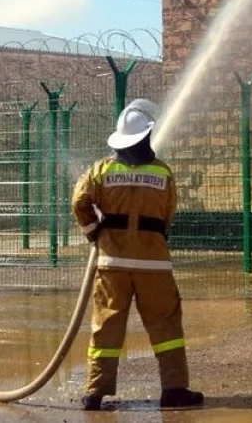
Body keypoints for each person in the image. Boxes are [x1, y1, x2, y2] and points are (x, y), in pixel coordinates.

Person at [71, 98, 204, 411]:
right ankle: (173, 389)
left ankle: (95, 392)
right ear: (146, 136)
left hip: (111, 263)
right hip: (153, 264)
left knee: (106, 325)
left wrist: (94, 232)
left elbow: (79, 202)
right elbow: (168, 213)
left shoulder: (101, 170)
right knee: (166, 326)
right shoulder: (162, 173)